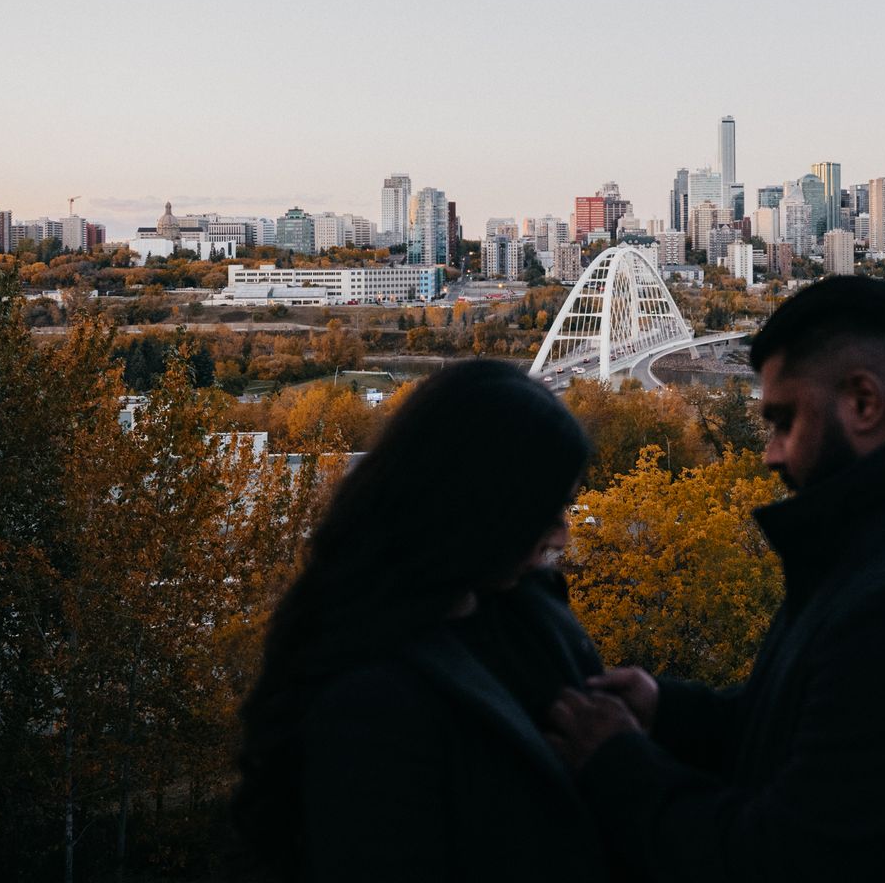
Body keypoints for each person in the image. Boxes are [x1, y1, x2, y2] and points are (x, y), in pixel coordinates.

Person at [546, 277, 885, 881]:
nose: (771, 453)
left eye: (783, 420)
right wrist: (670, 714)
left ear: (862, 402)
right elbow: (819, 737)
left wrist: (616, 765)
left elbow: (784, 861)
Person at [234, 360, 609, 882]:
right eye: (547, 509)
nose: (562, 533)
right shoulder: (368, 705)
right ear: (482, 504)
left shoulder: (522, 612)